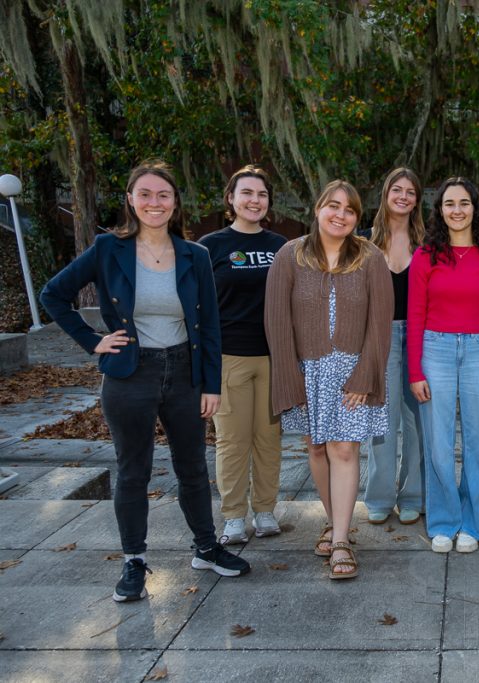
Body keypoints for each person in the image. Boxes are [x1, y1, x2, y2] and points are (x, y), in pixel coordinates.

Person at [40, 159, 250, 603]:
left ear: (175, 203)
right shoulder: (106, 249)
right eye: (146, 195)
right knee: (133, 471)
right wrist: (91, 340)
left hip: (185, 372)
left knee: (192, 467)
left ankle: (207, 547)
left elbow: (210, 326)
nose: (155, 203)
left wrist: (211, 384)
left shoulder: (194, 255)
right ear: (131, 201)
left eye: (163, 195)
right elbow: (53, 295)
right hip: (129, 374)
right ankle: (134, 560)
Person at [264, 180, 392, 579]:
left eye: (350, 209)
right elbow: (276, 320)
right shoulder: (290, 255)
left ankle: (340, 542)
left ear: (358, 217)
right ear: (317, 209)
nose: (340, 215)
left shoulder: (370, 258)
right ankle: (335, 520)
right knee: (316, 450)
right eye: (333, 206)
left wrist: (365, 375)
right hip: (308, 371)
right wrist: (290, 377)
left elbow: (380, 322)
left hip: (352, 372)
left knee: (343, 450)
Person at [408, 177, 479, 554]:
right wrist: (415, 371)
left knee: (477, 443)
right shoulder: (426, 256)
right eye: (449, 203)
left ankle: (474, 523)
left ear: (475, 208)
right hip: (434, 349)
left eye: (464, 203)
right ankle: (443, 521)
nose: (456, 210)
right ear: (439, 210)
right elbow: (415, 315)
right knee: (437, 444)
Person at [198, 165, 287, 544]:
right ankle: (233, 516)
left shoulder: (281, 246)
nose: (254, 200)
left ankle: (265, 510)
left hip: (272, 358)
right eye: (247, 193)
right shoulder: (210, 246)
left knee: (268, 439)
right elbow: (198, 307)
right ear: (231, 199)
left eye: (262, 195)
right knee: (232, 441)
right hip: (229, 358)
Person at [363, 168, 427, 526]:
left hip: (420, 336)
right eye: (397, 189)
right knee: (380, 421)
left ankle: (414, 495)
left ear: (417, 200)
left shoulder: (428, 243)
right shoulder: (365, 242)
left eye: (411, 192)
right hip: (379, 337)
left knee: (417, 420)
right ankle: (380, 496)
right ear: (386, 193)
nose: (403, 196)